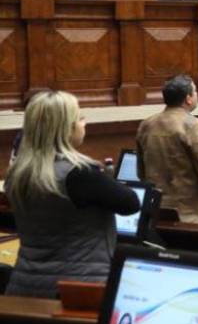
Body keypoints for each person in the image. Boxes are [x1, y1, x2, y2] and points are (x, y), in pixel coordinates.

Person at [5, 91, 140, 298]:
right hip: (77, 289)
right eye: (79, 118)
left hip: (24, 286)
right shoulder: (79, 173)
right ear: (65, 128)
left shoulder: (17, 172)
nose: (83, 123)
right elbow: (130, 203)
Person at [137, 75, 198, 226]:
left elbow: (141, 172)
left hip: (156, 209)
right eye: (195, 92)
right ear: (188, 98)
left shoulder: (147, 125)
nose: (196, 95)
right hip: (190, 213)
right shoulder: (194, 126)